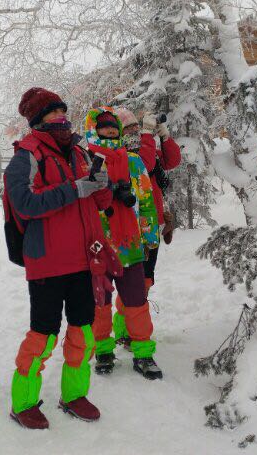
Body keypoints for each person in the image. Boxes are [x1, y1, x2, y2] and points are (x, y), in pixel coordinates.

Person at [3, 87, 114, 430]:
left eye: (63, 110)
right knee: (44, 334)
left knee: (83, 330)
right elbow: (25, 203)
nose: (61, 116)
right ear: (37, 119)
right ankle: (23, 402)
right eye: (53, 112)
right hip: (47, 261)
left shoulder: (79, 152)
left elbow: (100, 203)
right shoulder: (26, 156)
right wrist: (75, 188)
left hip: (84, 259)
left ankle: (74, 394)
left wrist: (102, 185)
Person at [84, 107, 162, 379]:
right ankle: (103, 351)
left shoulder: (134, 161)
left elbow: (147, 200)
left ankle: (143, 353)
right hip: (97, 247)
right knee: (100, 304)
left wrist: (150, 236)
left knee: (136, 301)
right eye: (103, 126)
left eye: (113, 126)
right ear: (93, 130)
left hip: (130, 245)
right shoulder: (85, 161)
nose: (110, 130)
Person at [111, 108, 181, 347]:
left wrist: (165, 136)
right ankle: (125, 330)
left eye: (135, 126)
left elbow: (172, 161)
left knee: (146, 280)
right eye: (129, 127)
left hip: (152, 225)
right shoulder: (124, 154)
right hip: (131, 226)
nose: (134, 130)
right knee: (134, 282)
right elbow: (146, 163)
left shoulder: (145, 146)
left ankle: (132, 329)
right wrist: (148, 135)